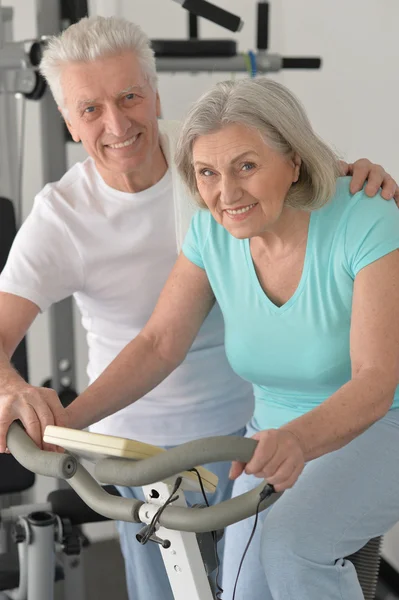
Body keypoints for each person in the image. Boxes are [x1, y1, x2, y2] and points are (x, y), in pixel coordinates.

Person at [0, 16, 397, 600]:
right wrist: (67, 424)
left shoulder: (350, 211)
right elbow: (160, 341)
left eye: (247, 167)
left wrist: (301, 442)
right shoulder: (203, 223)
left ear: (292, 159)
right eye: (209, 174)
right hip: (230, 437)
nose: (226, 191)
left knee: (292, 551)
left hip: (334, 425)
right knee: (237, 590)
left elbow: (376, 378)